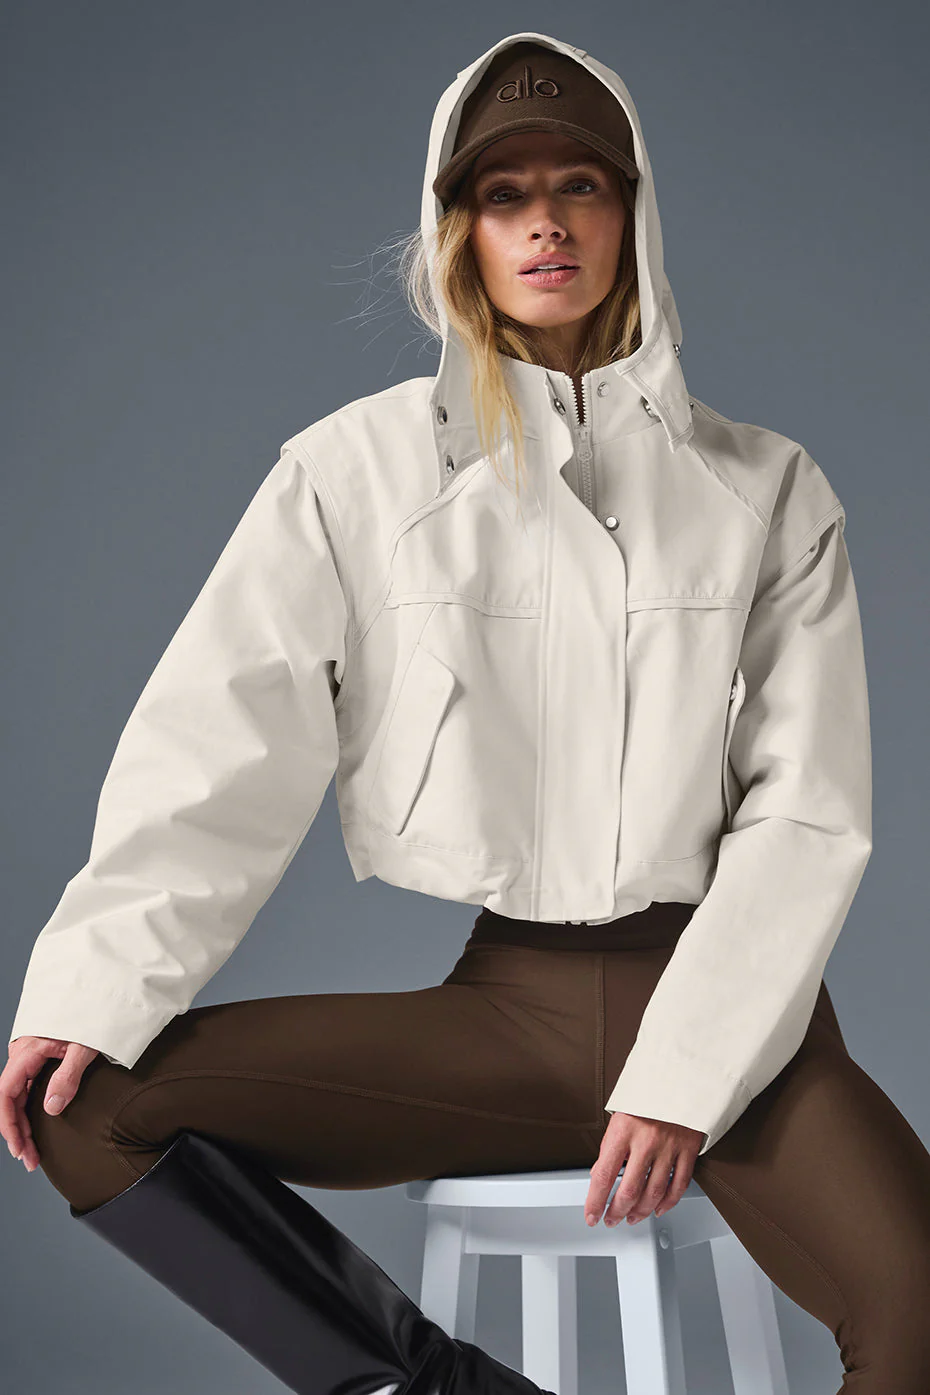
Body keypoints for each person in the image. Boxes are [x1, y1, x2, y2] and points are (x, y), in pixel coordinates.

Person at [3, 29, 929, 1395]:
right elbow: (219, 748)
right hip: (511, 1013)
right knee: (86, 1112)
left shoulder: (767, 491)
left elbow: (807, 813)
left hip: (740, 1014)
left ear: (632, 215)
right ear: (459, 235)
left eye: (579, 186)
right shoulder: (352, 474)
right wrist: (94, 987)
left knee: (920, 1312)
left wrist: (685, 1070)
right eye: (504, 195)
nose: (545, 222)